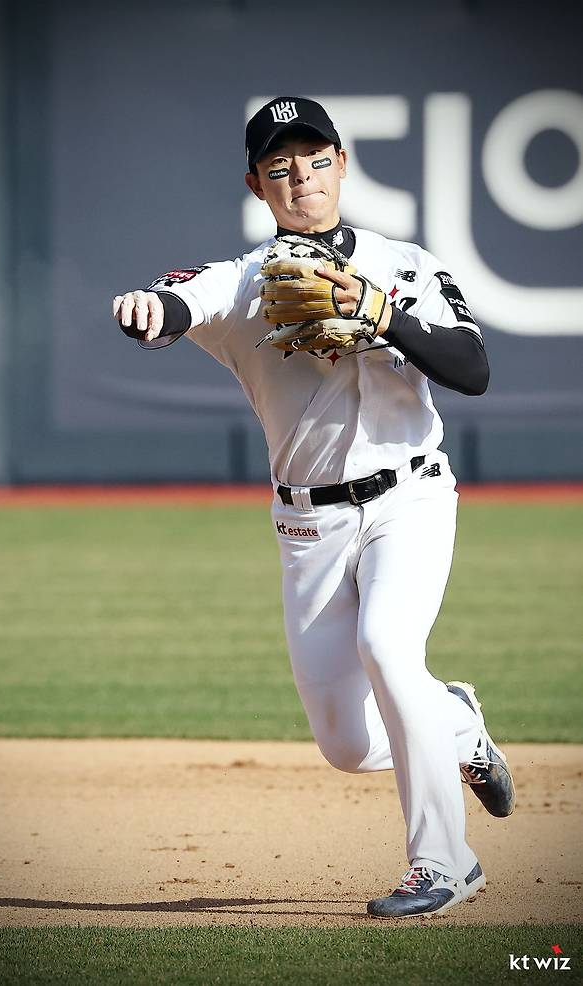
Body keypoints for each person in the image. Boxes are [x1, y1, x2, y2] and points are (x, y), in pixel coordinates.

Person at [112, 96, 515, 918]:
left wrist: (381, 313)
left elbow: (472, 369)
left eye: (316, 158)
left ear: (341, 162)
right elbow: (177, 302)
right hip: (309, 525)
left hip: (411, 496)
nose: (303, 177)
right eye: (281, 166)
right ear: (258, 184)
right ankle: (458, 722)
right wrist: (150, 310)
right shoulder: (245, 281)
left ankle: (443, 863)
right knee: (345, 743)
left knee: (388, 644)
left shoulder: (407, 264)